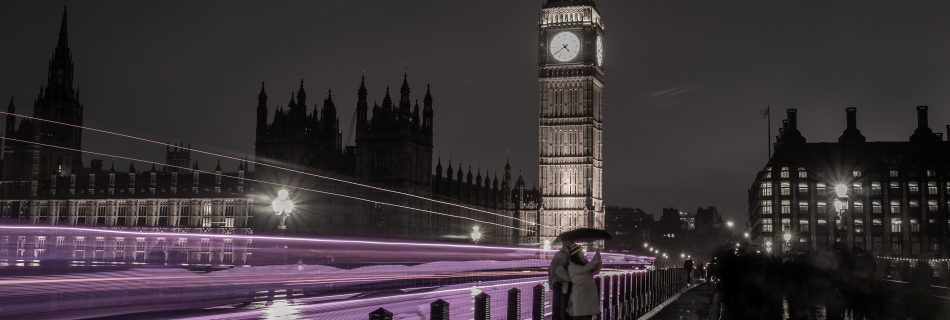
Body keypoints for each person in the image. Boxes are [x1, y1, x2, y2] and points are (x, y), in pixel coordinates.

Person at [566, 244, 602, 320]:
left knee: (587, 316)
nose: (583, 254)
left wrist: (598, 261)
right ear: (576, 255)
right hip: (580, 296)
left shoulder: (584, 262)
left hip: (588, 295)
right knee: (581, 316)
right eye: (581, 253)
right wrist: (595, 260)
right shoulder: (571, 265)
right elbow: (583, 270)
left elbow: (595, 271)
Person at [548, 240, 573, 319]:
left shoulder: (567, 256)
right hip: (561, 287)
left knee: (562, 311)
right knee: (562, 311)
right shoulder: (561, 256)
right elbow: (559, 272)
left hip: (562, 288)